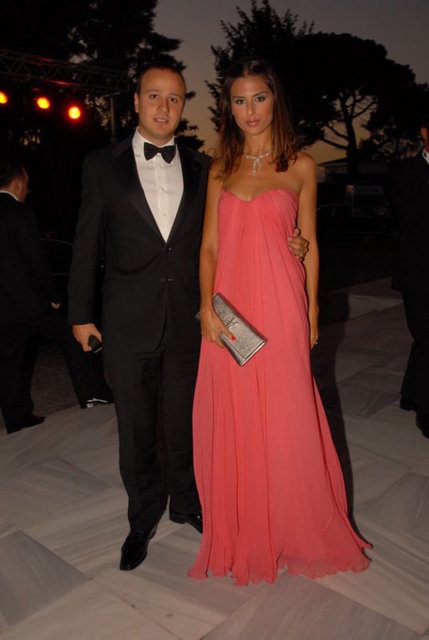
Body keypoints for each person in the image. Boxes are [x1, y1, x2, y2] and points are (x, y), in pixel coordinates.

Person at [68, 61, 309, 572]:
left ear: (184, 106)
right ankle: (141, 520)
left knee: (186, 421)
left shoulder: (206, 168)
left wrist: (293, 241)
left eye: (174, 98)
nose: (164, 107)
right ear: (136, 101)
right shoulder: (101, 165)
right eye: (154, 96)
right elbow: (86, 242)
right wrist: (80, 314)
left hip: (191, 319)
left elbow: (230, 233)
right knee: (136, 429)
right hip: (127, 319)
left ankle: (187, 502)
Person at [189, 59, 371, 586]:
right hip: (228, 309)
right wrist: (205, 308)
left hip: (281, 302)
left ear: (275, 101)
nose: (250, 110)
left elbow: (308, 243)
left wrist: (311, 309)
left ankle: (296, 527)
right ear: (228, 108)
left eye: (259, 98)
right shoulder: (218, 170)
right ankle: (248, 525)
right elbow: (208, 246)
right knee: (235, 415)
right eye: (239, 100)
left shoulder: (302, 166)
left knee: (288, 416)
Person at [0, 155, 110, 435]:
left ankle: (16, 418)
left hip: (4, 307)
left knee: (10, 360)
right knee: (73, 335)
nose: (28, 189)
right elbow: (35, 258)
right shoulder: (19, 212)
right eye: (27, 182)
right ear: (17, 182)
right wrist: (52, 295)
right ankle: (92, 394)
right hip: (29, 303)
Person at [388, 116, 429, 439]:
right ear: (424, 133)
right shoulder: (404, 171)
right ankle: (426, 412)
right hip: (417, 271)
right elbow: (405, 216)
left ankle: (411, 392)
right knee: (427, 336)